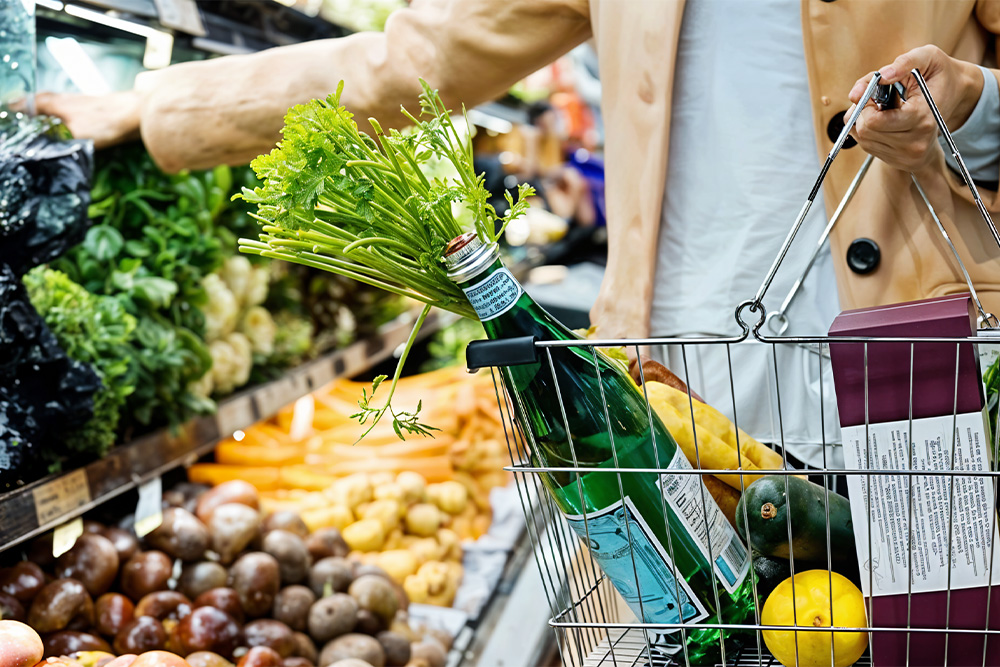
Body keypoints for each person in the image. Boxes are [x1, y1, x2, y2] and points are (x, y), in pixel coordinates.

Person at [36, 0, 1000, 467]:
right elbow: (405, 66)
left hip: (923, 372)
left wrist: (972, 107)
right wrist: (156, 107)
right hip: (678, 385)